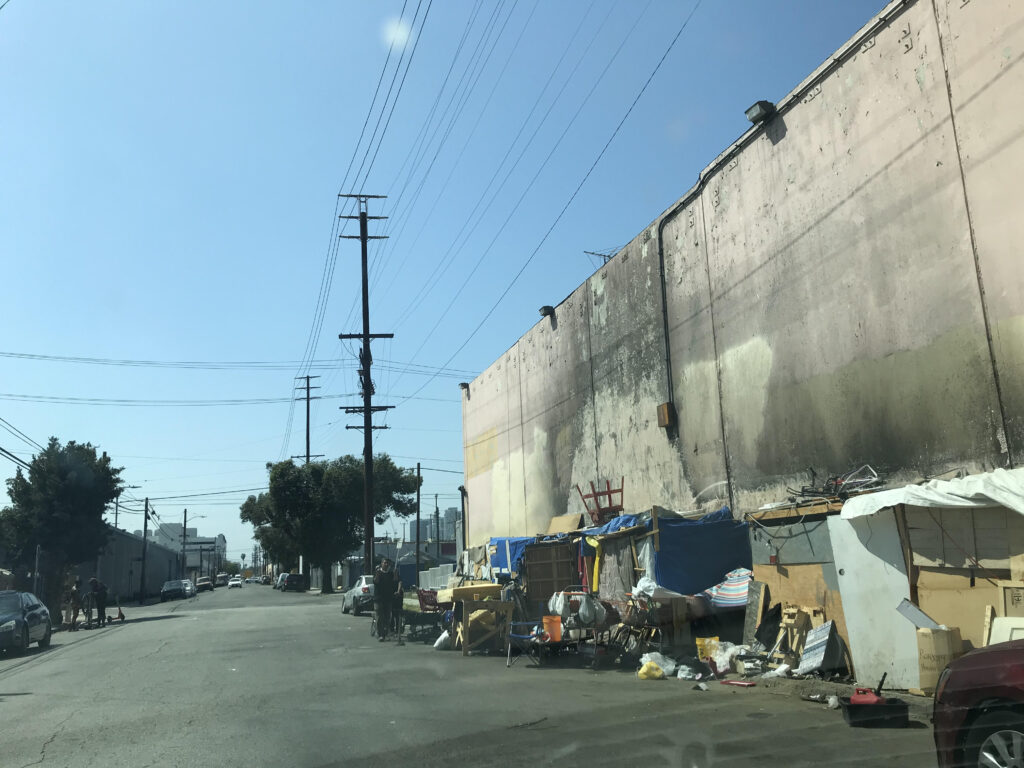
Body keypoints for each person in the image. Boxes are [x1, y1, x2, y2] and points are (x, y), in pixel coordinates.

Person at [372, 558, 397, 642]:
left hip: (388, 599)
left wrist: (395, 574)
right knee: (379, 617)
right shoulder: (378, 573)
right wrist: (378, 574)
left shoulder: (390, 574)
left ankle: (385, 633)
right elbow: (375, 581)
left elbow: (394, 582)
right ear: (381, 564)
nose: (386, 564)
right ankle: (380, 635)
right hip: (378, 599)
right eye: (384, 563)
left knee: (387, 618)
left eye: (387, 563)